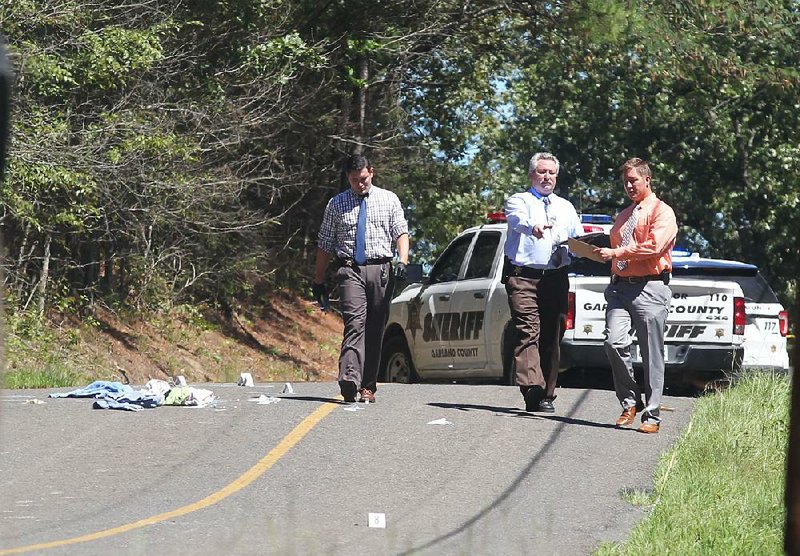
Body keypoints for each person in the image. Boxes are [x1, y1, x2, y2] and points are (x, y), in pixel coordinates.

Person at [313, 154, 409, 403]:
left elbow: (401, 231)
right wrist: (318, 280)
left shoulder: (389, 199)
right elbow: (324, 244)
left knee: (375, 328)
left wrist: (403, 260)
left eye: (364, 179)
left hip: (381, 270)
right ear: (348, 178)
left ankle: (368, 386)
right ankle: (349, 378)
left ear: (372, 173)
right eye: (355, 180)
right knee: (355, 323)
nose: (360, 184)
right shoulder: (337, 204)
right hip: (350, 269)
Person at [594, 158, 677, 434]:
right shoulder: (623, 216)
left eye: (634, 180)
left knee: (653, 353)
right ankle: (630, 401)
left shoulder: (662, 212)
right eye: (626, 182)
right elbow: (617, 248)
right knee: (614, 342)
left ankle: (652, 416)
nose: (629, 185)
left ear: (647, 180)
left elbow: (654, 247)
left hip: (650, 287)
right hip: (620, 289)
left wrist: (617, 253)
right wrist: (598, 252)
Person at [503, 152, 583, 413]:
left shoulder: (565, 207)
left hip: (556, 278)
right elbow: (516, 221)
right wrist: (533, 226)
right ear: (531, 175)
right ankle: (532, 387)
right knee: (528, 330)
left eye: (551, 172)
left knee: (552, 333)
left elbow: (578, 239)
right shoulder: (519, 201)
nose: (547, 177)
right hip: (523, 276)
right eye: (541, 172)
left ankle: (546, 393)